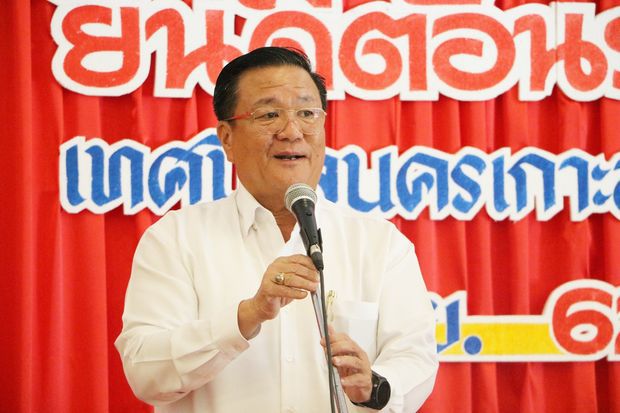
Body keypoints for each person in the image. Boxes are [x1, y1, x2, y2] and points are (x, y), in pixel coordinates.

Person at [115, 47, 438, 412]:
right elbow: (146, 372)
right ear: (227, 138)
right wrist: (247, 316)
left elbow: (415, 357)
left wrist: (374, 385)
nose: (292, 131)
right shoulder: (175, 239)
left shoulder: (379, 243)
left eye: (307, 113)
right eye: (269, 115)